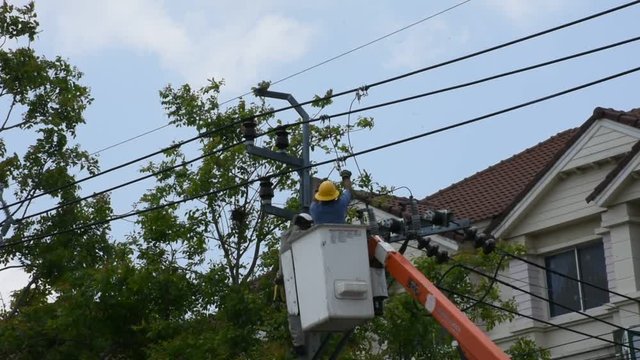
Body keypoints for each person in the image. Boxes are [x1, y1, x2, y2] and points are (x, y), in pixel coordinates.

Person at [275, 213, 314, 357]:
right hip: (294, 279)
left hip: (287, 279)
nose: (309, 228)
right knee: (296, 313)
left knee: (294, 312)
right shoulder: (298, 235)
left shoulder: (286, 235)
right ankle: (299, 343)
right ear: (301, 225)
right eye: (307, 225)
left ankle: (299, 343)